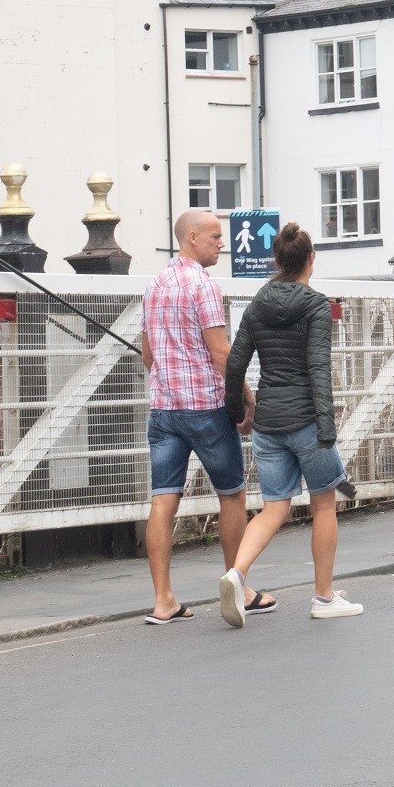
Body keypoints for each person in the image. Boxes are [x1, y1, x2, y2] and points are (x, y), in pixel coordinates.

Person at [219, 222, 362, 622]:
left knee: (273, 508)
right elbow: (318, 367)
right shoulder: (315, 305)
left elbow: (235, 364)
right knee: (323, 505)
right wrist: (326, 428)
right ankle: (324, 598)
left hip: (268, 423)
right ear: (310, 260)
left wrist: (238, 412)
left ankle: (236, 572)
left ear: (277, 261)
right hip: (305, 421)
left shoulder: (257, 303)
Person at [137, 209, 255, 622]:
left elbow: (147, 354)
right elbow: (221, 352)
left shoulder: (154, 285)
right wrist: (246, 398)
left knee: (163, 500)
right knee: (232, 494)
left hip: (164, 410)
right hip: (205, 407)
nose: (221, 243)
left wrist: (169, 381)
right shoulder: (203, 285)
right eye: (215, 237)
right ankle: (238, 585)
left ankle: (163, 600)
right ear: (191, 237)